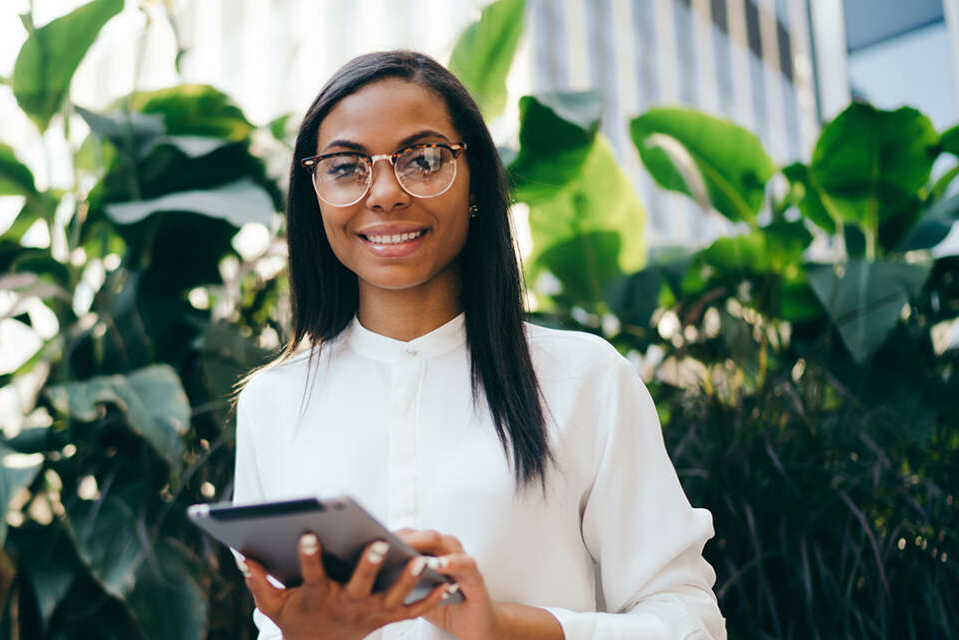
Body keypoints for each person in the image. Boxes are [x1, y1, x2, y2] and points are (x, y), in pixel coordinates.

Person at [230, 50, 727, 640]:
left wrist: (503, 627)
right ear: (312, 194)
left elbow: (691, 624)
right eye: (346, 167)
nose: (385, 192)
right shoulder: (274, 401)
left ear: (473, 180)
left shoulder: (584, 379)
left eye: (423, 159)